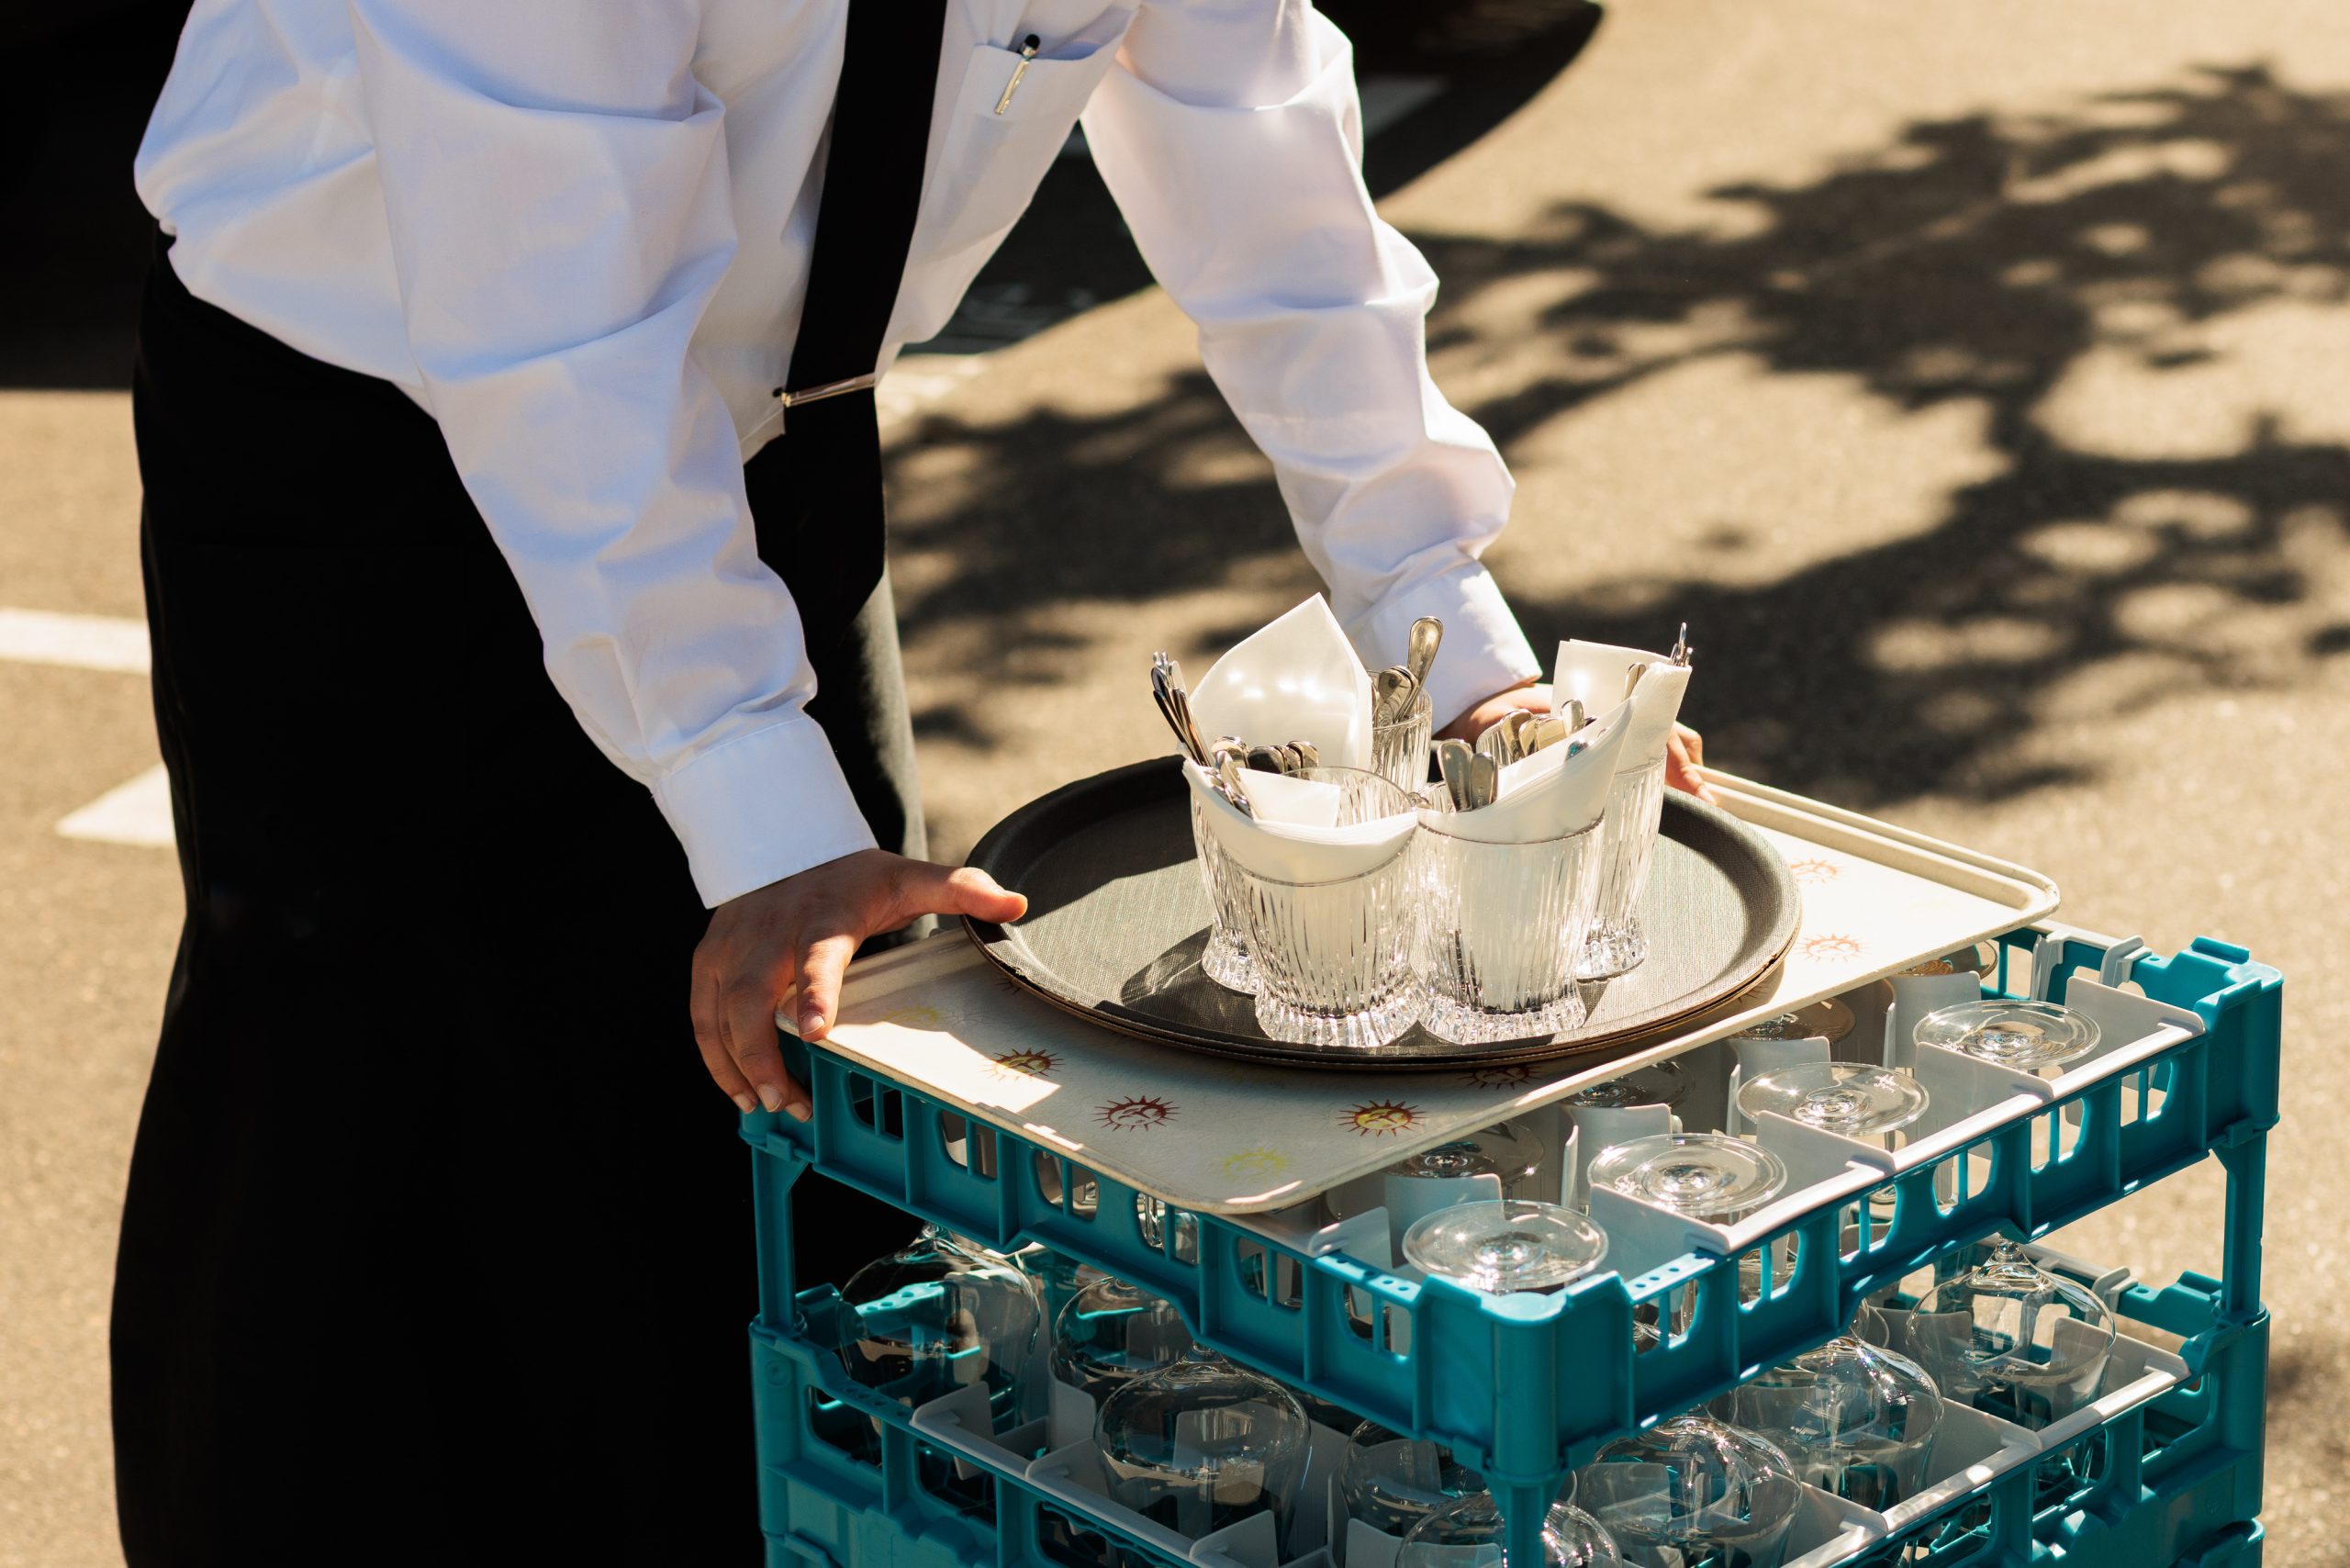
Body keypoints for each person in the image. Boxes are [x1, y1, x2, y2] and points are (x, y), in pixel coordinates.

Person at [117, 1, 1708, 1561]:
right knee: (366, 1153)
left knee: (812, 1114)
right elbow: (550, 327)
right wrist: (754, 795)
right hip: (367, 432)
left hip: (772, 420)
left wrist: (1451, 631)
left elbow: (1254, 132)